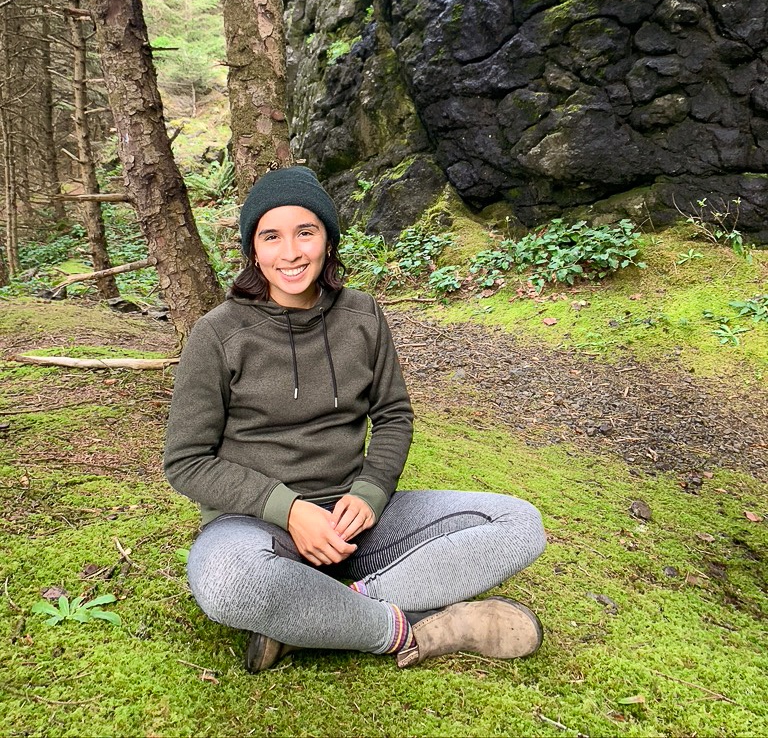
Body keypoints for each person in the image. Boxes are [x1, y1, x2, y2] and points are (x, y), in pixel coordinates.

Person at [164, 166, 547, 671]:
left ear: (328, 239)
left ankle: (314, 619)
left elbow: (393, 416)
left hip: (357, 523)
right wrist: (290, 510)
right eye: (271, 236)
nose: (291, 252)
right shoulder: (217, 334)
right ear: (253, 250)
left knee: (519, 523)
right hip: (257, 529)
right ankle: (402, 629)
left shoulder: (362, 315)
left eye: (306, 231)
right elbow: (187, 461)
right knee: (230, 582)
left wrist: (369, 492)